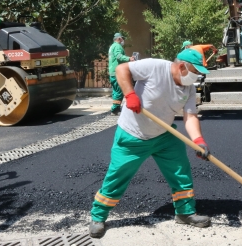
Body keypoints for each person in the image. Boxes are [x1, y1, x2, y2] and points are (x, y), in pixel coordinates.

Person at [89, 48, 212, 238]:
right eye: (195, 72)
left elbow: (190, 116)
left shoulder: (188, 88)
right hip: (132, 136)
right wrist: (130, 94)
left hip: (164, 136)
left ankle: (185, 212)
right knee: (117, 176)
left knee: (180, 171)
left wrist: (198, 141)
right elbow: (122, 69)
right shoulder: (155, 66)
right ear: (181, 66)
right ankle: (98, 217)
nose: (196, 78)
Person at [108, 33, 135, 115]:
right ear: (119, 39)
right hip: (117, 71)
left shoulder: (112, 46)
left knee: (116, 90)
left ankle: (116, 108)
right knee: (119, 90)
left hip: (113, 71)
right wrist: (129, 58)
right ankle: (115, 109)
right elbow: (119, 56)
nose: (123, 40)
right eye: (122, 39)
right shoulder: (117, 46)